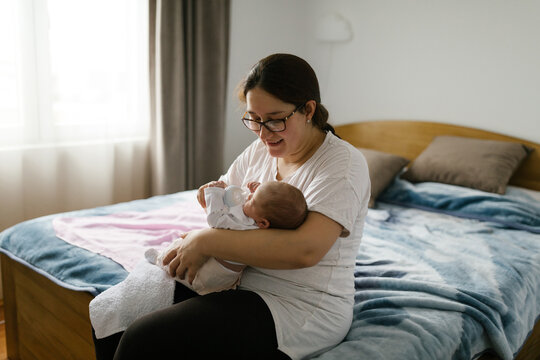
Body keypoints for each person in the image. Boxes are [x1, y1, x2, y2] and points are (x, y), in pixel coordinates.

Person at [93, 53, 370, 360]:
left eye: (276, 120)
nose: (264, 133)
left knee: (143, 341)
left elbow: (305, 250)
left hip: (296, 304)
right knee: (115, 313)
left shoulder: (342, 165)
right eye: (254, 119)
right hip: (237, 278)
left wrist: (204, 240)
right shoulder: (262, 150)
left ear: (308, 110)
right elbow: (226, 197)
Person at [149, 179, 309, 294]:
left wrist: (214, 193)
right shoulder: (260, 228)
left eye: (252, 199)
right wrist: (259, 192)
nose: (247, 197)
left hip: (209, 274)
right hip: (226, 279)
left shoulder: (243, 225)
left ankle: (158, 260)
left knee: (179, 252)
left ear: (263, 223)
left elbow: (216, 219)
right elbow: (261, 205)